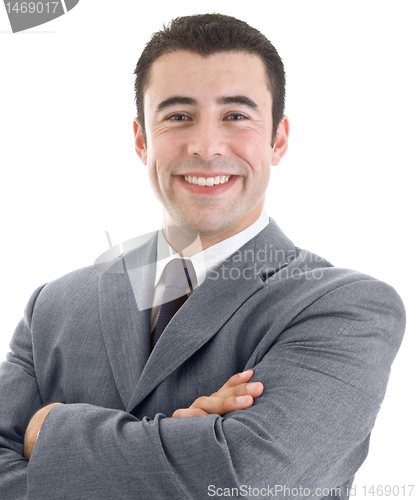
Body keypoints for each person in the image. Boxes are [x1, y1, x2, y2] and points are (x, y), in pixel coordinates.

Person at [0, 13, 406, 500]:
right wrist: (184, 449)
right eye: (178, 116)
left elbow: (246, 479)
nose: (206, 146)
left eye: (236, 116)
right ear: (141, 140)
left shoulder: (346, 308)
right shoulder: (54, 305)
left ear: (277, 139)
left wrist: (47, 432)